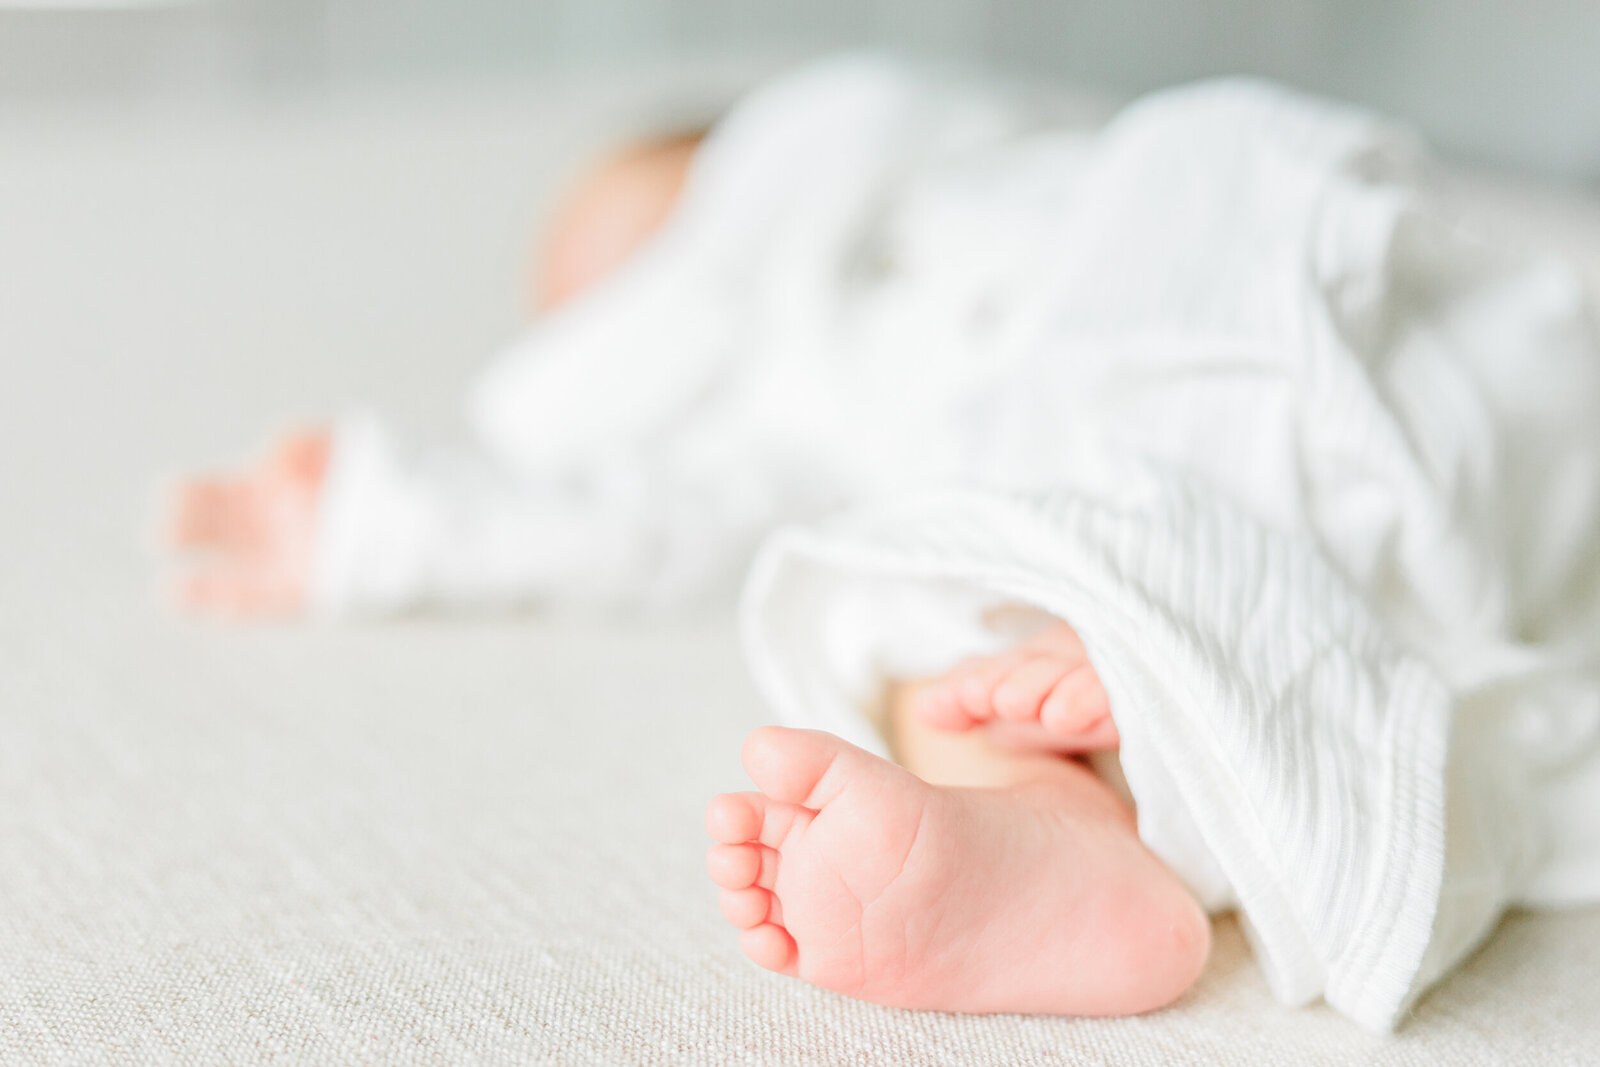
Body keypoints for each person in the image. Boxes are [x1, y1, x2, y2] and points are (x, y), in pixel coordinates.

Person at [162, 56, 1600, 1028]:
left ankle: (1113, 693)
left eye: (635, 264)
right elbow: (641, 519)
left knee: (986, 570)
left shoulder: (932, 203)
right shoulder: (783, 419)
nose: (623, 320)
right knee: (916, 613)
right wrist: (376, 523)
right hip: (1385, 507)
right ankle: (1056, 828)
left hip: (1306, 328)